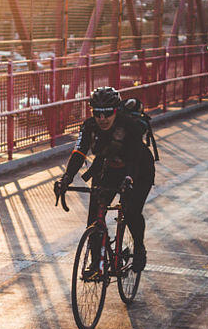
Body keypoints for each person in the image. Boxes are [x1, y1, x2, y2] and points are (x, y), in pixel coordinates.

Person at [53, 85, 156, 272]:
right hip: (109, 168)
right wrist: (66, 178)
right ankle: (96, 262)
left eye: (107, 113)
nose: (102, 118)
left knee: (131, 210)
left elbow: (134, 157)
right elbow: (79, 152)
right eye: (97, 113)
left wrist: (129, 179)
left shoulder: (129, 126)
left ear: (116, 111)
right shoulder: (89, 126)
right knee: (94, 216)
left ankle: (139, 248)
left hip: (139, 169)